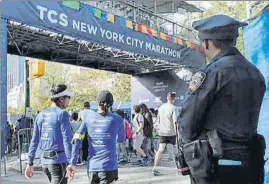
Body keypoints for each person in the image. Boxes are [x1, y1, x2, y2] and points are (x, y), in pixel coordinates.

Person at [179, 14, 266, 184]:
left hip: (218, 166)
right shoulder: (255, 73)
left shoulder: (211, 73)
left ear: (206, 42)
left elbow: (187, 126)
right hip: (251, 164)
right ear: (233, 40)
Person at [67, 91, 125, 184]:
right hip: (109, 166)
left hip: (92, 167)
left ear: (97, 103)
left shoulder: (88, 118)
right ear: (112, 103)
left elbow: (76, 139)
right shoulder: (118, 119)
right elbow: (121, 139)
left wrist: (73, 163)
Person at [25, 84, 74, 184]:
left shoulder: (40, 115)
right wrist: (71, 163)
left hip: (45, 163)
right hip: (58, 162)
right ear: (61, 98)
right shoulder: (62, 114)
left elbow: (34, 140)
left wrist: (29, 163)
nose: (69, 99)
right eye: (68, 97)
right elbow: (67, 140)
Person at [152, 92, 179, 176]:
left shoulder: (161, 107)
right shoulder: (174, 108)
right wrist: (177, 133)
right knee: (176, 150)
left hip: (162, 132)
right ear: (173, 99)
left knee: (160, 149)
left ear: (167, 98)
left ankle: (155, 167)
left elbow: (158, 120)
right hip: (171, 132)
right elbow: (175, 122)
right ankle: (180, 168)